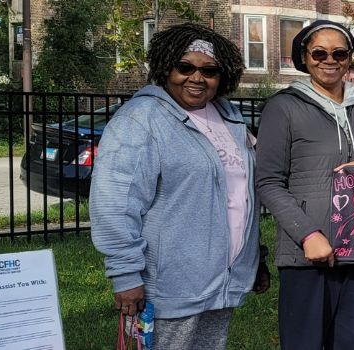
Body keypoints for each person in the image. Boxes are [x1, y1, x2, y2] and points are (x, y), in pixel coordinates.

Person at [90, 23, 267, 350]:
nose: (197, 78)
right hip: (170, 285)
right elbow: (114, 203)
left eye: (209, 71)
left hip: (222, 281)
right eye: (185, 67)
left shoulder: (229, 117)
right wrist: (125, 275)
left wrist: (254, 257)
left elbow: (239, 197)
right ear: (165, 68)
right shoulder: (141, 119)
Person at [255, 20, 354, 350]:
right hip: (308, 255)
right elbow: (268, 181)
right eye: (319, 52)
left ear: (350, 58)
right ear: (305, 57)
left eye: (339, 53)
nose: (329, 60)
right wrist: (308, 234)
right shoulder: (284, 107)